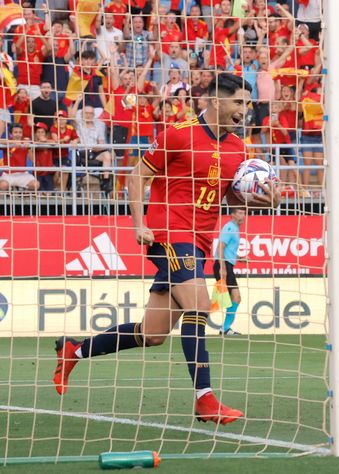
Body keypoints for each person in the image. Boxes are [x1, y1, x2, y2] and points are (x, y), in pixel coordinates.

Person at [52, 73, 282, 425]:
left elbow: (229, 193)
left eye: (247, 104)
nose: (244, 110)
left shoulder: (238, 147)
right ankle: (205, 398)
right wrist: (138, 223)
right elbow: (136, 175)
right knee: (200, 306)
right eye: (238, 102)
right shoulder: (178, 134)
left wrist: (259, 200)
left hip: (201, 242)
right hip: (170, 234)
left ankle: (75, 351)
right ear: (214, 100)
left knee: (152, 333)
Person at [214, 208, 246, 336]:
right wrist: (222, 267)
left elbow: (228, 250)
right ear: (232, 214)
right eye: (239, 213)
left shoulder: (234, 228)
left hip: (227, 264)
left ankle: (225, 328)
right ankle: (225, 328)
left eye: (244, 213)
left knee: (233, 298)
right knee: (233, 298)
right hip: (224, 265)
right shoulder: (229, 227)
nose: (243, 215)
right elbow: (220, 247)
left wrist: (239, 258)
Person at [0, 123, 40, 191]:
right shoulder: (7, 142)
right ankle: (13, 190)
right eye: (15, 132)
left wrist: (29, 147)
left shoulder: (24, 143)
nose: (18, 134)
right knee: (3, 185)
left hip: (23, 173)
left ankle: (21, 190)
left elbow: (33, 160)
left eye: (20, 132)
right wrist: (12, 142)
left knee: (36, 185)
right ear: (11, 134)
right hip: (8, 174)